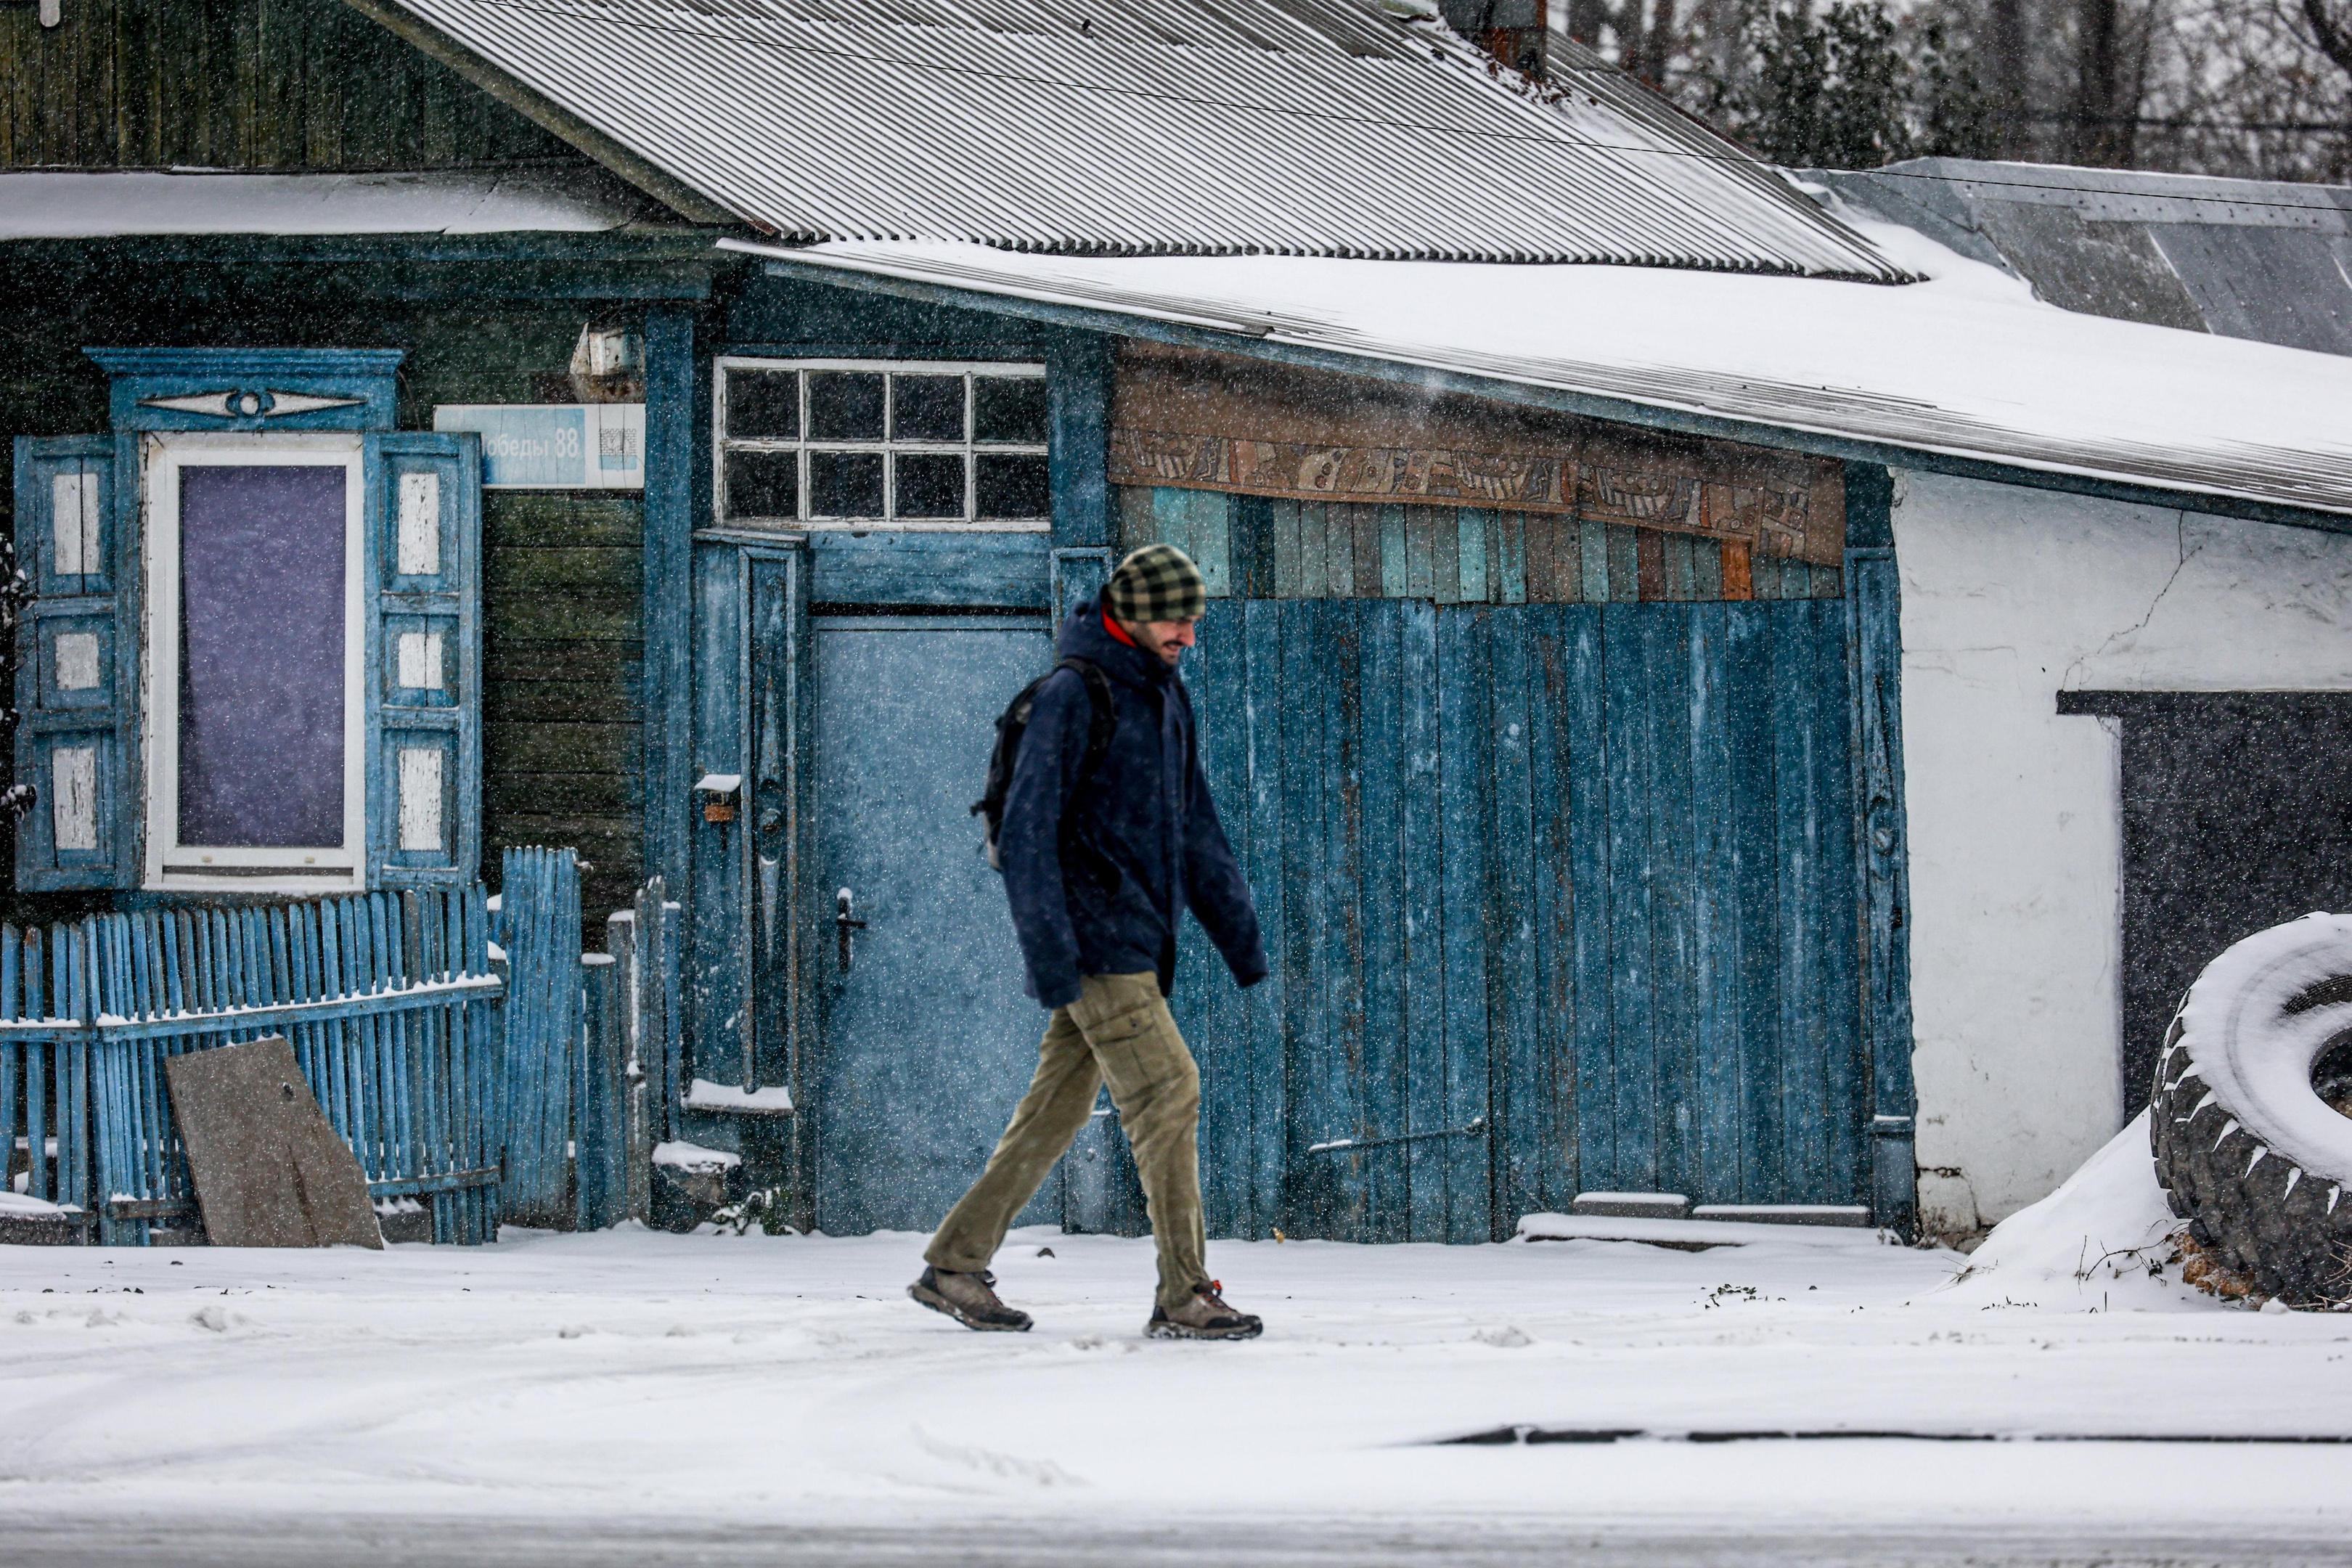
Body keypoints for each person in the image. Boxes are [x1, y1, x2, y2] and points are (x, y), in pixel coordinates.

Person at [910, 543, 1269, 1340]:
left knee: (1055, 1111)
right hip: (1097, 942)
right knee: (1169, 1092)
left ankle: (955, 1264)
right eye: (1177, 620)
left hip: (1136, 938)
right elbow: (1029, 830)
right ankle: (1184, 1294)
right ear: (1134, 615)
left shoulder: (1166, 699)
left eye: (1194, 621)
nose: (1189, 636)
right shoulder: (1075, 695)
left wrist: (1239, 938)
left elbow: (1196, 828)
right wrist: (1050, 954)